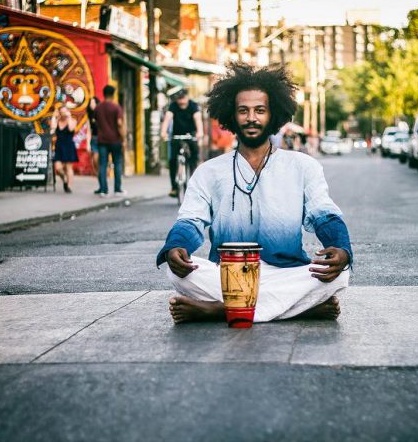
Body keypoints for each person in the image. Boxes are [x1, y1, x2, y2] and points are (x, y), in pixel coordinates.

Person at [157, 62, 352, 324]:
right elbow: (190, 220)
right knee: (177, 272)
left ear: (273, 115)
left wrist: (341, 248)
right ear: (231, 115)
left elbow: (324, 213)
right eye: (243, 111)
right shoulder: (209, 172)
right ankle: (299, 308)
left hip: (287, 274)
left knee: (341, 274)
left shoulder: (302, 166)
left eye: (260, 110)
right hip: (226, 275)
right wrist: (176, 247)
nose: (251, 118)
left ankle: (218, 310)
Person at [160, 88, 204, 198]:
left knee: (194, 158)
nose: (181, 101)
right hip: (176, 136)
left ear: (187, 97)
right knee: (172, 160)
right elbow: (167, 118)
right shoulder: (173, 106)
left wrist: (200, 132)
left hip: (191, 135)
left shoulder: (193, 105)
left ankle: (195, 185)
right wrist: (163, 132)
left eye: (183, 98)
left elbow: (198, 119)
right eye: (179, 99)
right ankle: (174, 187)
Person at [94, 85, 126, 197]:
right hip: (115, 140)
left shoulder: (98, 108)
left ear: (103, 94)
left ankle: (103, 190)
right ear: (113, 94)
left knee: (102, 165)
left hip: (102, 140)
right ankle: (117, 189)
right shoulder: (116, 108)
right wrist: (123, 138)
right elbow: (119, 124)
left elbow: (96, 122)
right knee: (117, 163)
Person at [50, 106, 78, 193]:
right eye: (62, 112)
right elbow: (53, 128)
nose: (64, 113)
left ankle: (69, 186)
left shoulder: (73, 120)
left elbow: (70, 128)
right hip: (59, 145)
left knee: (68, 167)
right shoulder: (58, 120)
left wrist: (69, 116)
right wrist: (54, 116)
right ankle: (65, 180)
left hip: (69, 145)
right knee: (58, 168)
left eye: (65, 111)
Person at [86, 96, 100, 192]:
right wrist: (87, 142)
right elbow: (88, 130)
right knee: (94, 162)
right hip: (94, 139)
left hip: (101, 139)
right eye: (90, 103)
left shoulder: (101, 114)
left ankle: (102, 176)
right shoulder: (89, 115)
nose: (92, 105)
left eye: (93, 103)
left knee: (97, 158)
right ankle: (100, 177)